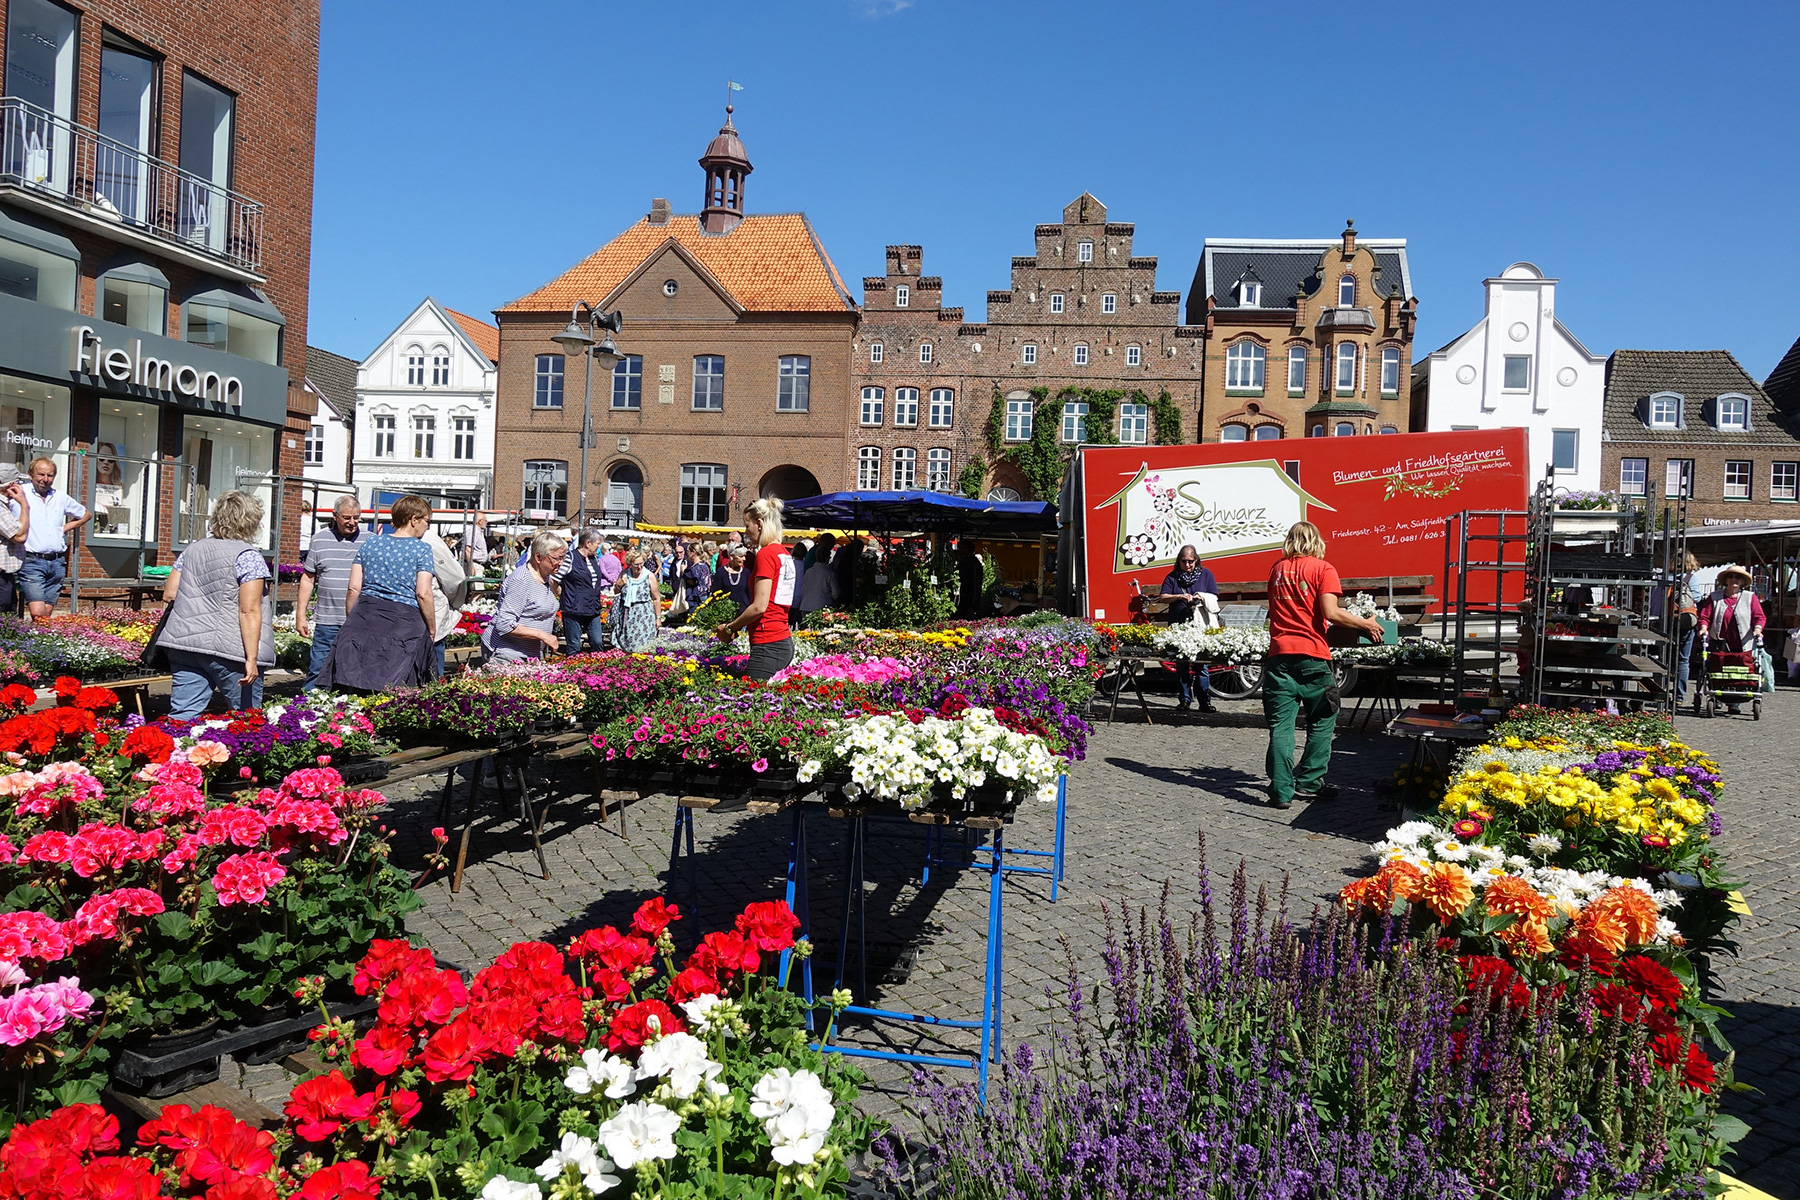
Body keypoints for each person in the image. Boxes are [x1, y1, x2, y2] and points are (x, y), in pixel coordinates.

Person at [1262, 521, 1384, 810]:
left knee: (1281, 727)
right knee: (1322, 718)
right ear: (1316, 541)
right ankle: (1309, 782)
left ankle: (1280, 791)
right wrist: (1365, 624)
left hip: (1279, 656)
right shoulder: (1323, 568)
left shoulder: (1277, 569)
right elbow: (1331, 612)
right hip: (1312, 656)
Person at [155, 490, 276, 720]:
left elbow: (170, 594)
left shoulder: (192, 549)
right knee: (246, 720)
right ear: (251, 521)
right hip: (231, 651)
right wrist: (251, 659)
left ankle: (172, 752)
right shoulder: (248, 556)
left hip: (185, 646)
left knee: (182, 715)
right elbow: (249, 610)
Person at [318, 494, 437, 692]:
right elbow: (423, 593)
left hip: (365, 615)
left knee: (355, 685)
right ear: (414, 520)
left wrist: (353, 620)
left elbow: (354, 587)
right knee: (396, 688)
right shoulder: (422, 550)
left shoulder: (371, 543)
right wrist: (432, 627)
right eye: (427, 521)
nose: (427, 526)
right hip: (404, 624)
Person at [713, 497, 798, 681]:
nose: (746, 532)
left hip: (768, 641)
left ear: (759, 524)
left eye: (747, 525)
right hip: (780, 638)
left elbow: (760, 606)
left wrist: (729, 628)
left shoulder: (766, 554)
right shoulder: (783, 553)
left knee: (752, 702)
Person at [296, 496, 365, 691]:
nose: (352, 523)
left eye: (356, 518)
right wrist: (301, 615)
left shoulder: (370, 541)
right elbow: (308, 579)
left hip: (359, 622)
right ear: (334, 516)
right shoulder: (319, 540)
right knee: (318, 670)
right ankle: (308, 712)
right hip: (327, 620)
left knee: (354, 673)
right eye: (347, 518)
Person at [19, 457, 90, 620]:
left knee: (46, 613)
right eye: (41, 474)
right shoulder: (20, 493)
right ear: (31, 474)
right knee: (38, 613)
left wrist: (64, 528)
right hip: (31, 560)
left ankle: (37, 643)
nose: (45, 479)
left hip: (57, 562)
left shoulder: (60, 497)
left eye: (50, 475)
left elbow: (86, 514)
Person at [483, 532, 567, 663]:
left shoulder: (545, 578)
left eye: (563, 558)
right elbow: (504, 624)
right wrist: (542, 635)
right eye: (557, 558)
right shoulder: (521, 580)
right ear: (538, 557)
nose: (561, 563)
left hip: (529, 653)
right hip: (507, 653)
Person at [1698, 564, 1765, 713]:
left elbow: (1759, 617)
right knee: (1718, 667)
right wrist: (1703, 628)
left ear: (1742, 582)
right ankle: (1717, 695)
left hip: (1742, 641)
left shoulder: (1750, 597)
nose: (1734, 580)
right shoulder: (1714, 597)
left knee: (1739, 669)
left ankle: (1735, 702)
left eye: (1738, 577)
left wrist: (1758, 629)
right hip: (1719, 640)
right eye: (1731, 576)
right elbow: (1705, 616)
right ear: (1726, 580)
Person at [1161, 545, 1221, 713]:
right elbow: (1163, 596)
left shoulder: (1206, 574)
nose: (1187, 565)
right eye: (1184, 561)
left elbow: (1214, 596)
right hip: (1179, 625)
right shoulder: (1173, 577)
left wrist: (1200, 597)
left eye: (1190, 561)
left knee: (1201, 665)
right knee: (1182, 665)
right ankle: (1185, 699)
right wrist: (1179, 596)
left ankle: (1204, 701)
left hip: (1199, 625)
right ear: (1179, 561)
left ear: (1196, 560)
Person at [423, 524, 468, 679]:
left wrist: (451, 601)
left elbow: (454, 578)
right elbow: (455, 578)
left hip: (432, 610)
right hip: (427, 611)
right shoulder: (426, 540)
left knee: (433, 670)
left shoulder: (428, 539)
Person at [560, 530, 609, 654]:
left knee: (598, 642)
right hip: (573, 608)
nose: (599, 546)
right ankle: (572, 671)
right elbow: (554, 579)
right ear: (588, 543)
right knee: (574, 646)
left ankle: (597, 670)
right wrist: (564, 594)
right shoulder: (570, 557)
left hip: (592, 608)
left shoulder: (594, 558)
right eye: (597, 543)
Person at [612, 550, 661, 652]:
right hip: (627, 613)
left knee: (644, 644)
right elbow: (616, 591)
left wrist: (658, 618)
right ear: (630, 564)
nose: (639, 567)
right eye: (636, 564)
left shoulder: (649, 576)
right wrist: (620, 584)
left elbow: (656, 599)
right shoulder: (624, 574)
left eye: (641, 564)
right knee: (626, 642)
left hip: (644, 614)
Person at [0, 465, 30, 615]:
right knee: (5, 620)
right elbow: (20, 536)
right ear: (12, 485)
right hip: (1, 578)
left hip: (5, 577)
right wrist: (24, 505)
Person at [1672, 551, 1701, 702]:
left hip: (1667, 620)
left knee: (1664, 657)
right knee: (1683, 660)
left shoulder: (1666, 577)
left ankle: (1660, 690)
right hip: (1685, 621)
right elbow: (1696, 597)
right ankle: (1679, 696)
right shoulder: (1691, 578)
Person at [795, 532, 841, 626]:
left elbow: (803, 589)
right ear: (828, 558)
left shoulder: (808, 571)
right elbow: (836, 593)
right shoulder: (829, 573)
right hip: (821, 606)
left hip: (805, 605)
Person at [679, 541, 714, 610]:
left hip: (696, 599)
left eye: (688, 551)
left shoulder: (696, 568)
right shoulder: (704, 565)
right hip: (704, 596)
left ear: (693, 552)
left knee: (694, 618)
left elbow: (692, 582)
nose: (687, 554)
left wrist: (683, 570)